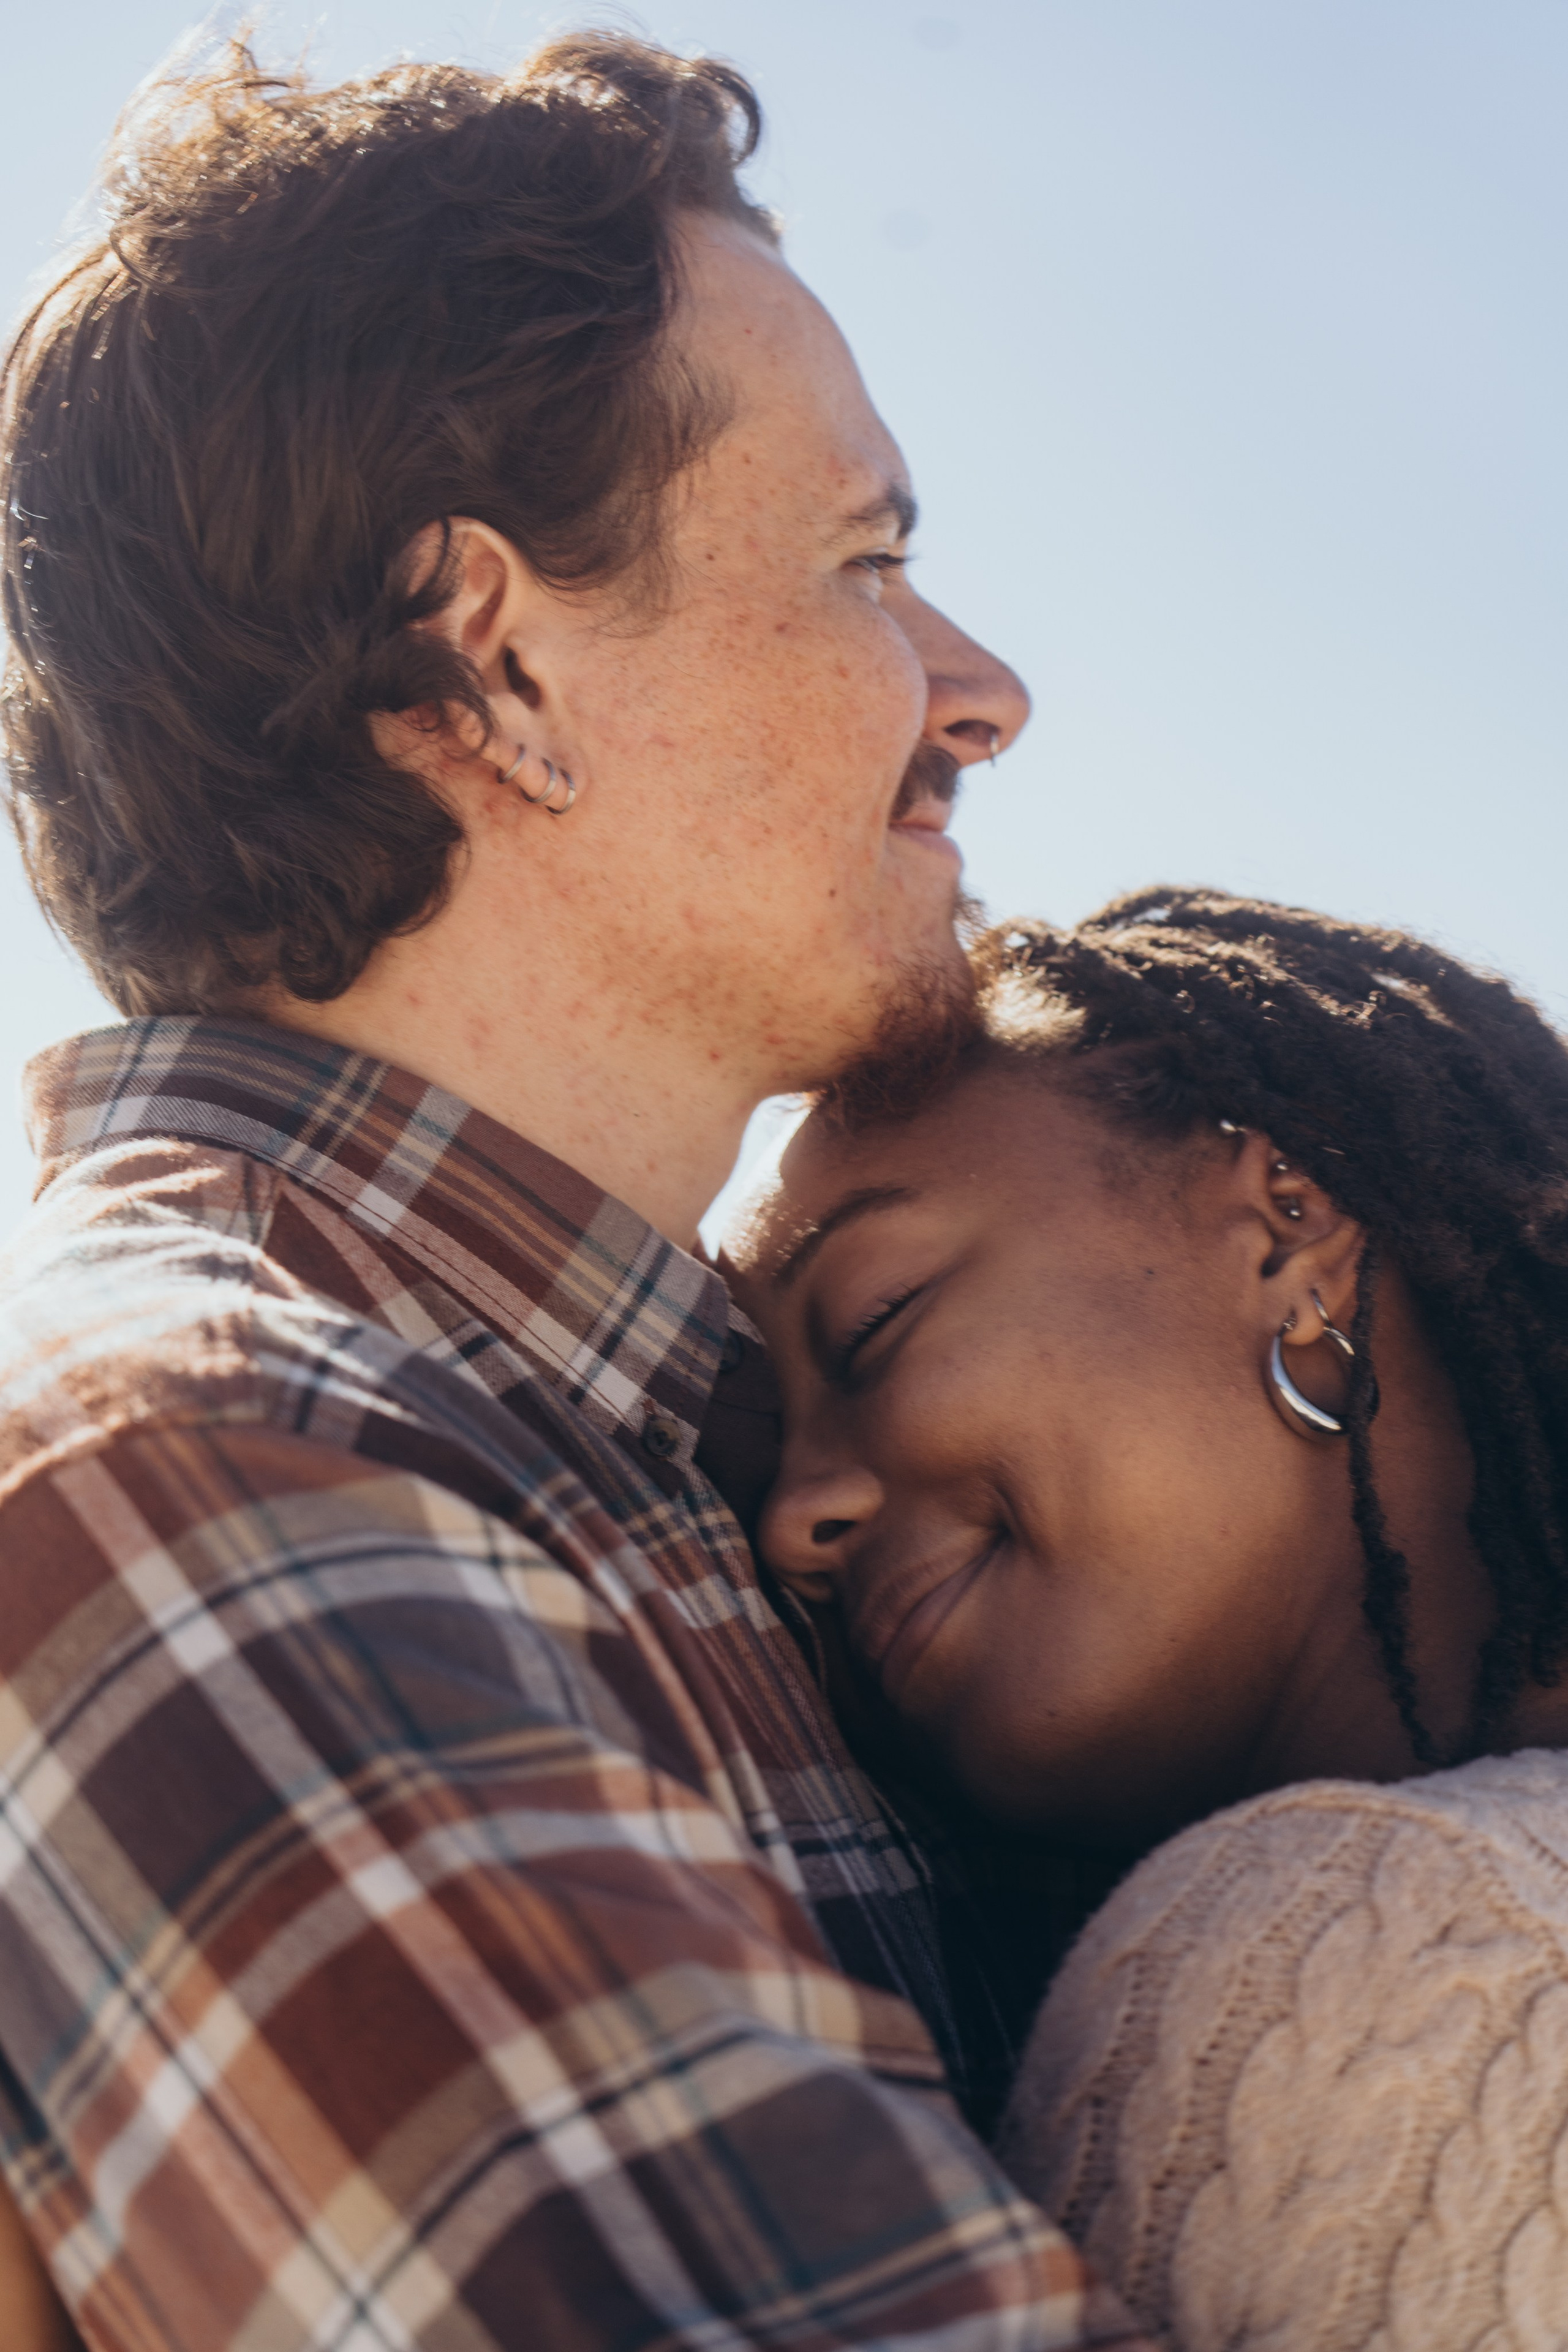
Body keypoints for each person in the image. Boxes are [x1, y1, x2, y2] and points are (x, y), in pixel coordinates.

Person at [0, 29, 1152, 2352]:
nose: (983, 691)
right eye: (867, 560)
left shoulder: (661, 1459)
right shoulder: (215, 1474)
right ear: (497, 667)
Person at [732, 886, 1568, 2349]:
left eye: (871, 1322)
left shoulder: (1373, 1935)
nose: (790, 1518)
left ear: (1285, 1223)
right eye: (757, 1458)